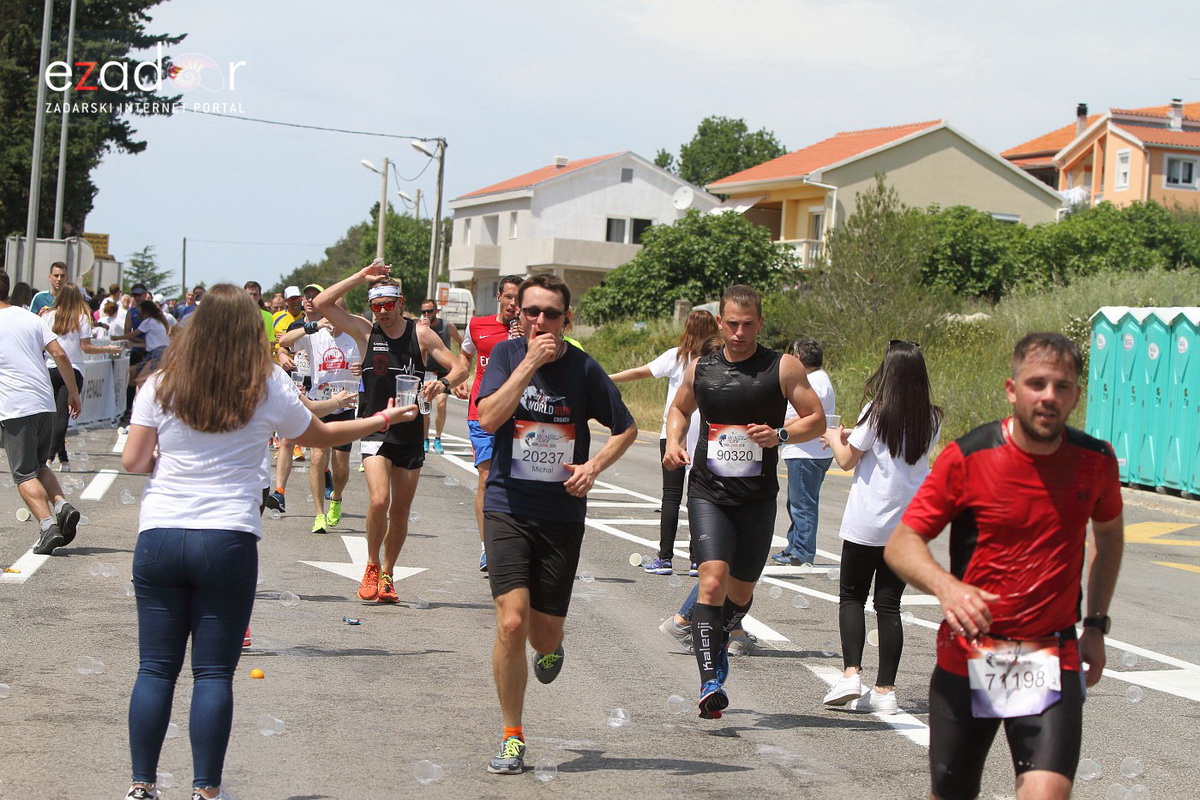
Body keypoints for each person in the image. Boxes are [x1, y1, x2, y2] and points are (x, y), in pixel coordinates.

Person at [119, 285, 416, 800]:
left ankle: (141, 787)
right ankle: (206, 791)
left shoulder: (161, 382)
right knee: (213, 673)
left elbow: (134, 462)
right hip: (227, 538)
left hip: (160, 535)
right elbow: (319, 436)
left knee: (155, 668)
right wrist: (383, 419)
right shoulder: (265, 384)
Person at [885, 333, 1124, 800]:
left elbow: (1110, 534)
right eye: (1037, 384)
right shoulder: (969, 457)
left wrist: (1095, 623)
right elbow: (901, 543)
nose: (1049, 396)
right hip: (970, 652)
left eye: (1062, 386)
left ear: (1077, 394)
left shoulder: (1095, 461)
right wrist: (947, 588)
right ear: (1012, 389)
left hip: (1050, 655)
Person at [476, 273, 637, 775]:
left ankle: (552, 649)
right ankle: (512, 735)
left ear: (567, 319)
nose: (540, 321)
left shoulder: (586, 370)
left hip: (560, 513)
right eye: (531, 312)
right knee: (511, 620)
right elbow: (487, 418)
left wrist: (593, 468)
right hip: (506, 504)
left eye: (551, 313)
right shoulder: (506, 357)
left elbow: (626, 428)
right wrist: (528, 364)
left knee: (542, 636)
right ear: (517, 315)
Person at [663, 284, 825, 719]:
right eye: (731, 324)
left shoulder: (782, 366)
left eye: (747, 324)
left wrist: (782, 434)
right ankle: (710, 680)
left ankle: (719, 632)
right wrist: (674, 441)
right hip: (707, 493)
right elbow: (679, 409)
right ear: (720, 321)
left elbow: (817, 419)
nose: (739, 332)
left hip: (756, 498)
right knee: (712, 580)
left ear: (760, 322)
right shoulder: (702, 367)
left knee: (741, 590)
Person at [314, 264, 466, 604]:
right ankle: (371, 564)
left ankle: (388, 573)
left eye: (388, 304)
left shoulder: (422, 335)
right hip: (374, 426)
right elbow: (323, 303)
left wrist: (439, 384)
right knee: (379, 500)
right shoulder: (366, 333)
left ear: (400, 303)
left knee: (399, 512)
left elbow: (460, 368)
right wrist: (360, 277)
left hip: (410, 432)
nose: (382, 312)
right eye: (376, 305)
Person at [819, 340, 942, 715]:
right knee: (889, 605)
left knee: (852, 597)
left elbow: (846, 460)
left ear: (888, 373)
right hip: (907, 526)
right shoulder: (933, 418)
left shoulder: (876, 411)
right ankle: (885, 690)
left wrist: (831, 438)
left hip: (867, 522)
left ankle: (851, 673)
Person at [609, 309, 719, 576]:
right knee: (699, 495)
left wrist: (607, 378)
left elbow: (640, 373)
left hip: (674, 431)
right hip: (705, 431)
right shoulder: (716, 359)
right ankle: (696, 559)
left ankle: (665, 558)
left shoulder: (677, 356)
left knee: (671, 496)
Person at [0, 269, 82, 556]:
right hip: (44, 401)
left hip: (15, 406)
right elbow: (60, 354)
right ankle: (62, 505)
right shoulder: (31, 317)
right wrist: (73, 392)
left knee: (23, 473)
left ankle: (48, 526)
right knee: (39, 464)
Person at [277, 285, 364, 533]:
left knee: (341, 465)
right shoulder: (315, 333)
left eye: (338, 313)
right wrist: (311, 326)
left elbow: (372, 363)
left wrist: (362, 370)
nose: (333, 319)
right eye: (329, 313)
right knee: (317, 457)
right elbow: (283, 341)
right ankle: (318, 513)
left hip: (346, 403)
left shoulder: (355, 337)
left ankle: (336, 497)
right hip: (319, 403)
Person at [457, 275, 525, 572]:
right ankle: (487, 548)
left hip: (520, 416)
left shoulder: (532, 330)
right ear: (499, 296)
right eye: (509, 297)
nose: (514, 304)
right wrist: (457, 380)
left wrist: (526, 339)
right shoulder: (477, 326)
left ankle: (513, 542)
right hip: (482, 414)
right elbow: (464, 359)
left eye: (519, 299)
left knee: (518, 483)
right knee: (486, 480)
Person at [771, 338, 837, 567]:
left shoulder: (816, 382)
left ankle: (802, 550)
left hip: (806, 451)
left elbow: (807, 415)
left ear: (799, 358)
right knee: (797, 502)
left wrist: (778, 430)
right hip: (806, 450)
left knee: (803, 504)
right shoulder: (816, 379)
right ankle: (794, 545)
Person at [43, 283, 121, 469]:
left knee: (54, 414)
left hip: (50, 368)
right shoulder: (82, 318)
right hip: (73, 369)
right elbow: (86, 347)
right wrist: (108, 348)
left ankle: (63, 459)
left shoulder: (47, 316)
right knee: (63, 416)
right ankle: (50, 456)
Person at [417, 298, 463, 456]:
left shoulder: (446, 325)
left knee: (441, 404)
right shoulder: (420, 327)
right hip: (427, 371)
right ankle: (424, 438)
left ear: (436, 311)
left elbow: (461, 342)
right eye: (424, 311)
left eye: (430, 311)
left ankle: (437, 438)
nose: (427, 314)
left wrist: (460, 363)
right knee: (425, 408)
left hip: (444, 373)